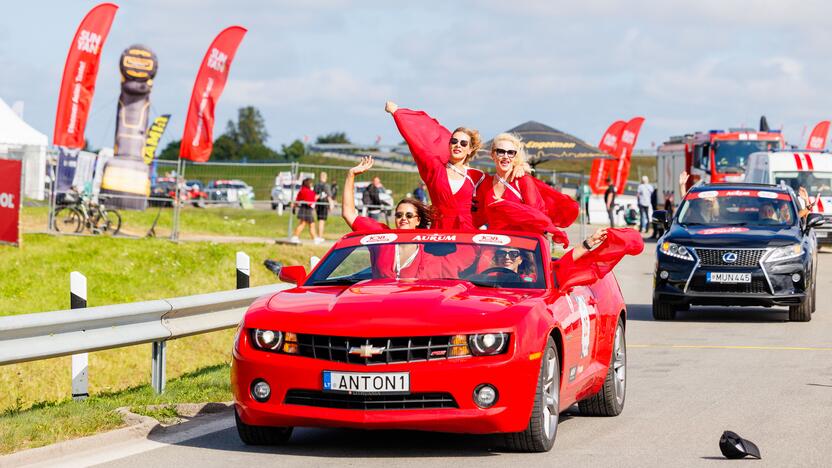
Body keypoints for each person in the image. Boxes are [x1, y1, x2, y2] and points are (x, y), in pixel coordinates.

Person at [386, 101, 487, 229]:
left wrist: (519, 167)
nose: (458, 145)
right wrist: (397, 113)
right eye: (454, 141)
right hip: (439, 233)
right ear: (449, 144)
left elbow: (501, 189)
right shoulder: (435, 168)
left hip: (466, 236)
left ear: (470, 149)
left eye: (463, 143)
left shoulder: (478, 177)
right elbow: (416, 142)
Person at [472, 133, 576, 245]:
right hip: (496, 247)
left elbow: (537, 216)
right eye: (501, 151)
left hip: (524, 247)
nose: (506, 156)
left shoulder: (522, 180)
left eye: (511, 152)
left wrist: (507, 206)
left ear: (515, 156)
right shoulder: (486, 183)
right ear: (492, 154)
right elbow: (478, 217)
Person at [343, 156, 431, 279]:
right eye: (399, 215)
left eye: (409, 215)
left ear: (418, 220)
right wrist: (350, 175)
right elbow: (349, 214)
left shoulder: (428, 246)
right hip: (378, 297)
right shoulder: (382, 237)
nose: (403, 218)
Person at [291, 178, 321, 244]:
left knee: (307, 224)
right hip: (307, 209)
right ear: (308, 184)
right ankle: (295, 237)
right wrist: (316, 197)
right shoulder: (309, 191)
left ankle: (314, 238)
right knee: (306, 224)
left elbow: (298, 198)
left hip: (303, 208)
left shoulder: (302, 190)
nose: (312, 184)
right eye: (311, 183)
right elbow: (312, 200)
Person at [314, 172, 334, 239]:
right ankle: (320, 236)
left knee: (319, 220)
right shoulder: (326, 185)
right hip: (324, 204)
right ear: (325, 177)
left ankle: (318, 235)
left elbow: (314, 195)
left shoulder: (316, 185)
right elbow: (329, 196)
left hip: (318, 204)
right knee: (322, 221)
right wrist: (331, 205)